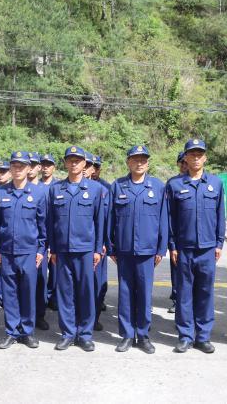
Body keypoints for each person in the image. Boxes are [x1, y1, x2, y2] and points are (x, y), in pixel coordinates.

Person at [108, 145, 168, 354]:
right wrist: (111, 247)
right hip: (124, 250)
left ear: (148, 163)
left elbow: (163, 219)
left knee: (144, 294)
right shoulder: (118, 186)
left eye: (143, 160)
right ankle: (126, 335)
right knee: (125, 294)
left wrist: (161, 249)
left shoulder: (157, 186)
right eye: (135, 159)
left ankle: (142, 335)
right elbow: (110, 219)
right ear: (128, 162)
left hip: (147, 251)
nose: (139, 163)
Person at [167, 139, 224, 354]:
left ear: (205, 158)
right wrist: (172, 245)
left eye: (200, 154)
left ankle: (203, 336)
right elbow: (170, 218)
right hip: (184, 249)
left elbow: (220, 215)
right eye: (192, 154)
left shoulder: (216, 183)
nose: (196, 158)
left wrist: (219, 243)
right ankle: (185, 336)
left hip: (208, 248)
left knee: (205, 293)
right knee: (184, 293)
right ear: (186, 158)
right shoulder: (174, 185)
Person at [48, 146, 104, 351]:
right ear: (65, 163)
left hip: (85, 250)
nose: (73, 163)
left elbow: (99, 221)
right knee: (65, 293)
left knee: (86, 293)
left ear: (84, 164)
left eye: (77, 160)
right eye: (70, 160)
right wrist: (53, 249)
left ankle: (85, 334)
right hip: (63, 250)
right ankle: (68, 333)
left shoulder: (95, 189)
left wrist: (97, 249)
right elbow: (51, 222)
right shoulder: (56, 189)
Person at [0, 151, 48, 349]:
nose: (17, 169)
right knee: (9, 294)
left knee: (28, 293)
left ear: (28, 169)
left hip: (29, 252)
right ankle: (11, 331)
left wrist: (41, 249)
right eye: (14, 165)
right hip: (6, 252)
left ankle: (27, 331)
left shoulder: (38, 193)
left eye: (22, 166)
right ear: (10, 168)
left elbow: (43, 224)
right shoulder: (0, 192)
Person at [27, 151, 49, 330]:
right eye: (29, 165)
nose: (31, 168)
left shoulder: (45, 189)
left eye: (34, 165)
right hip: (25, 244)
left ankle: (39, 315)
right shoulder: (19, 187)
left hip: (40, 243)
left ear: (39, 168)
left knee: (40, 280)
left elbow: (48, 219)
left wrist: (47, 245)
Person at [91, 154, 111, 325]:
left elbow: (109, 219)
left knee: (98, 283)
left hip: (99, 245)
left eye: (95, 166)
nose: (92, 170)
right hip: (81, 244)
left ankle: (94, 318)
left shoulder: (106, 188)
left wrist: (105, 242)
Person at [167, 151, 187, 314]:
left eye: (186, 162)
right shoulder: (173, 183)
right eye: (182, 162)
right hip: (177, 236)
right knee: (176, 270)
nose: (184, 165)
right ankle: (176, 299)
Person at [40, 154, 58, 310]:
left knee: (55, 269)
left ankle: (53, 297)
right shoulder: (36, 186)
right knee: (40, 270)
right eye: (43, 165)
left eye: (49, 165)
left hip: (55, 233)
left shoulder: (58, 186)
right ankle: (42, 298)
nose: (46, 168)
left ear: (54, 167)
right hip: (40, 232)